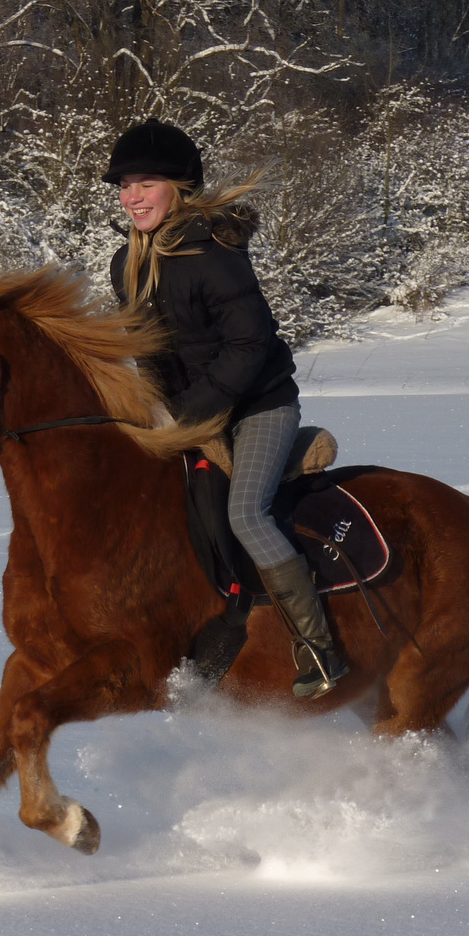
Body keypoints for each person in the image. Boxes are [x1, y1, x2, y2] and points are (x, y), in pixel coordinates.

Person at [104, 117, 347, 698]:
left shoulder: (216, 256)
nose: (132, 196)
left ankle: (318, 648)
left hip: (258, 406)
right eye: (125, 185)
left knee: (247, 514)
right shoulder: (127, 264)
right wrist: (153, 412)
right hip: (190, 410)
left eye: (146, 184)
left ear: (179, 188)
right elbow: (150, 354)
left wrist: (185, 414)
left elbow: (249, 346)